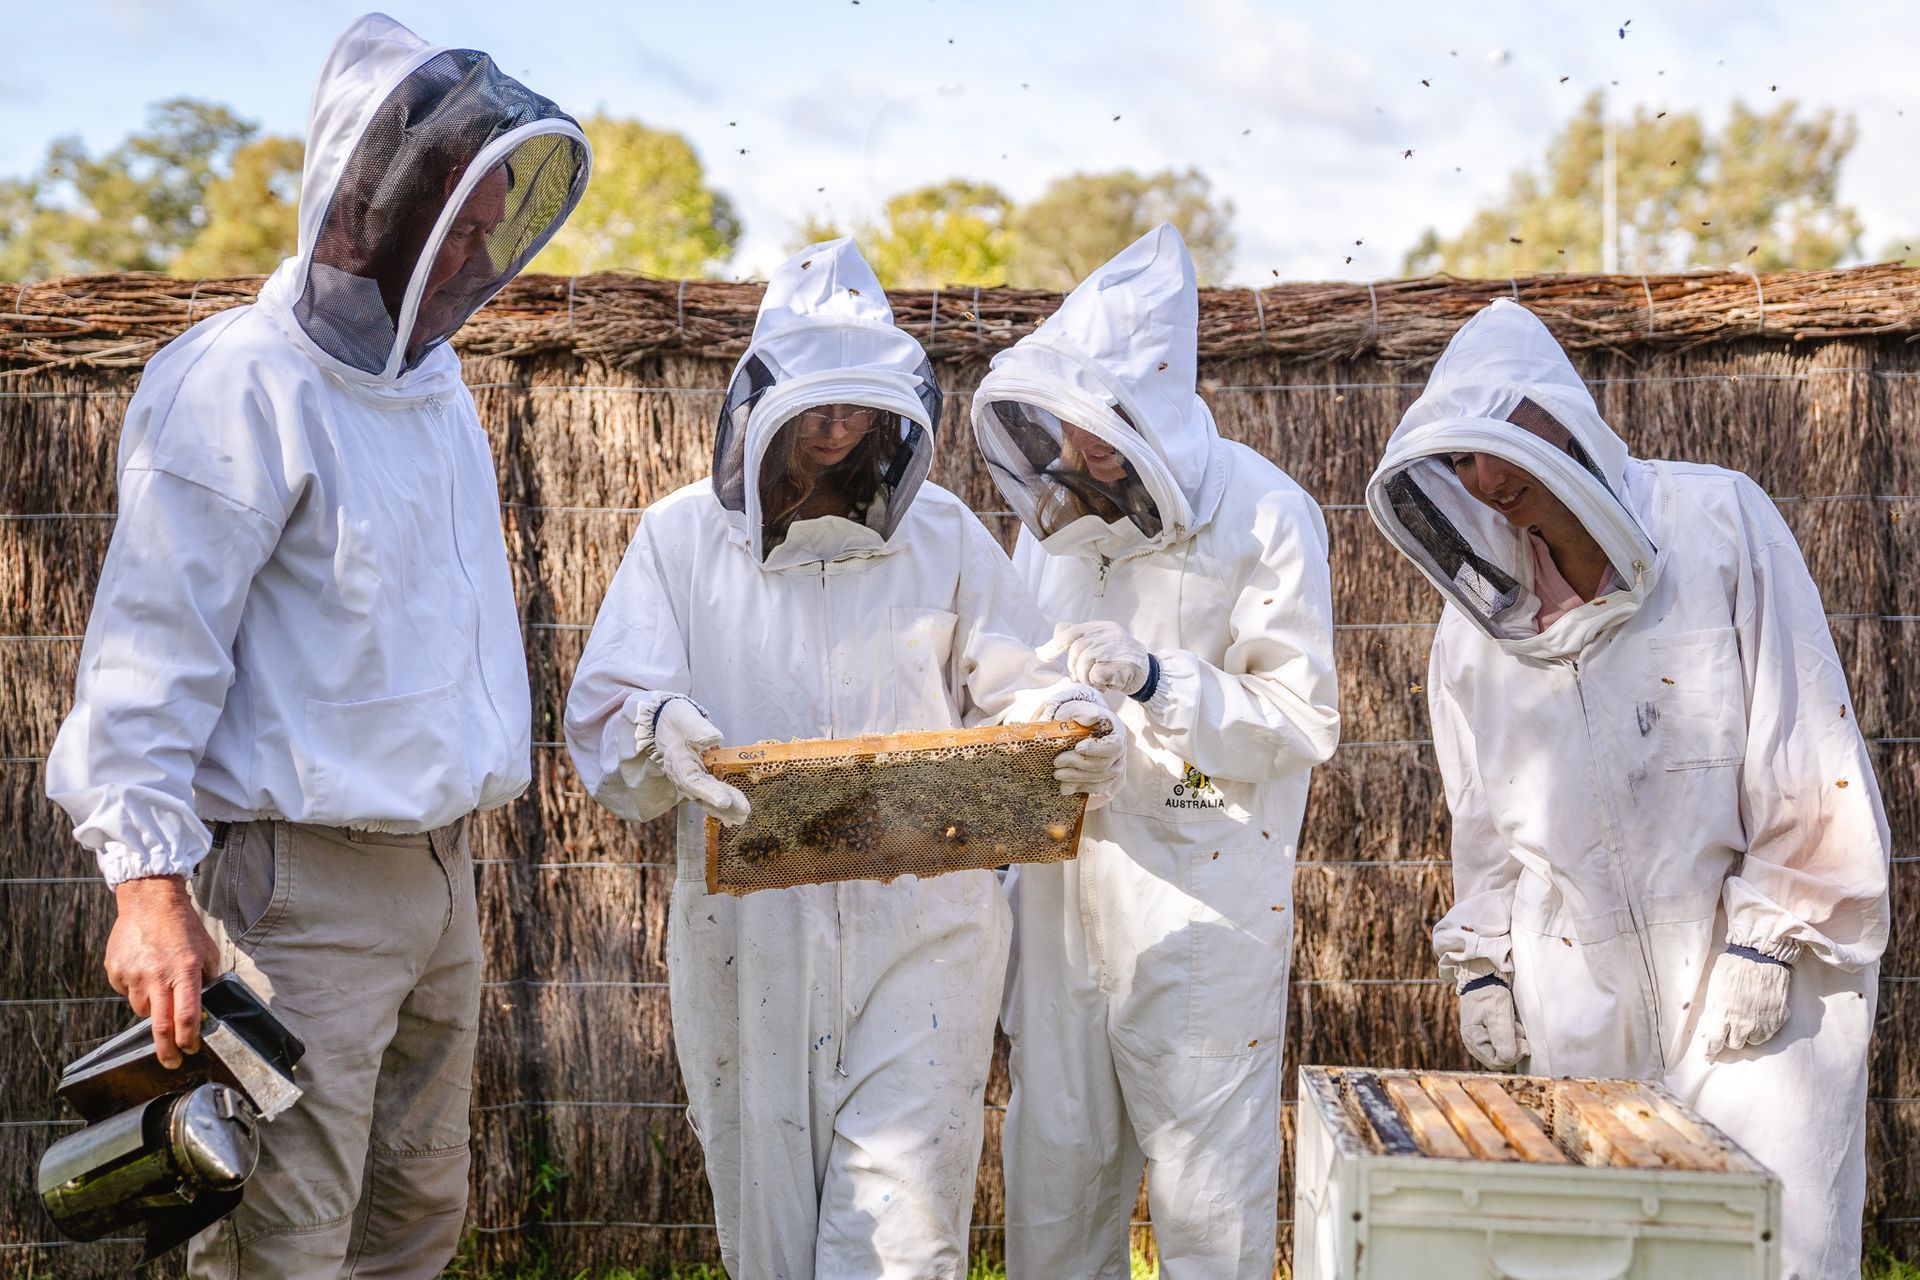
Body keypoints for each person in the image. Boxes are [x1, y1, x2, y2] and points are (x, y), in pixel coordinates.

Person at [44, 14, 590, 1276]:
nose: (470, 251)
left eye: (488, 219)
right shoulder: (239, 383)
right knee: (283, 1240)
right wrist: (147, 886)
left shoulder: (436, 382)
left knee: (414, 1218)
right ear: (368, 203)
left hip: (442, 882)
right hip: (299, 896)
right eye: (450, 218)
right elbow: (147, 653)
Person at [564, 236, 1127, 1280]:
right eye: (816, 407)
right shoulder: (681, 538)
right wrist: (658, 724)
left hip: (929, 921)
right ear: (761, 405)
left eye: (857, 408)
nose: (836, 429)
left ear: (895, 410)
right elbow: (607, 713)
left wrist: (1073, 717)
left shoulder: (945, 535)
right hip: (750, 929)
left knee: (904, 1237)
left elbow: (1022, 681)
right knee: (768, 1224)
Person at [1365, 297, 1890, 1280]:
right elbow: (1482, 815)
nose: (1489, 478)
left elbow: (1803, 729)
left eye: (1503, 440)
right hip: (1582, 979)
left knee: (1776, 1240)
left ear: (1564, 417)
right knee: (1615, 1250)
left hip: (1756, 962)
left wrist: (1773, 929)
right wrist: (1481, 960)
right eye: (1465, 461)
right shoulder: (1476, 627)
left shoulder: (1717, 519)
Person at [972, 223, 1341, 1279]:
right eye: (1070, 433)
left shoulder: (1267, 511)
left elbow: (1302, 717)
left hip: (1202, 912)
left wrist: (1155, 683)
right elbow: (1004, 668)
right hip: (1060, 904)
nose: (1083, 459)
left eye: (1103, 438)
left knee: (1208, 1214)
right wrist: (1054, 723)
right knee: (1055, 1192)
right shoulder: (1048, 524)